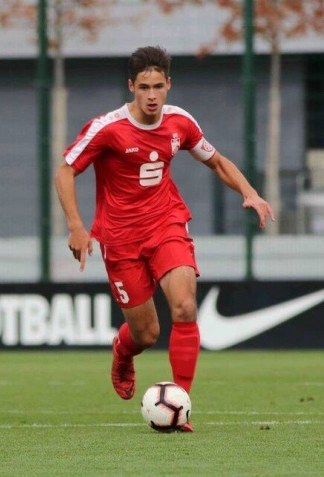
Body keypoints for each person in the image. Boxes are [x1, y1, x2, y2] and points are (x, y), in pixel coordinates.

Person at [55, 46, 274, 431]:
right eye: (144, 87)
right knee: (147, 334)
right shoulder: (107, 128)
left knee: (186, 307)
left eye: (159, 86)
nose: (152, 95)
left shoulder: (180, 122)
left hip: (166, 224)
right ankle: (123, 351)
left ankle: (182, 405)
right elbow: (65, 172)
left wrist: (249, 192)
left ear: (169, 85)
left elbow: (217, 161)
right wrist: (76, 226)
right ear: (131, 87)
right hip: (120, 239)